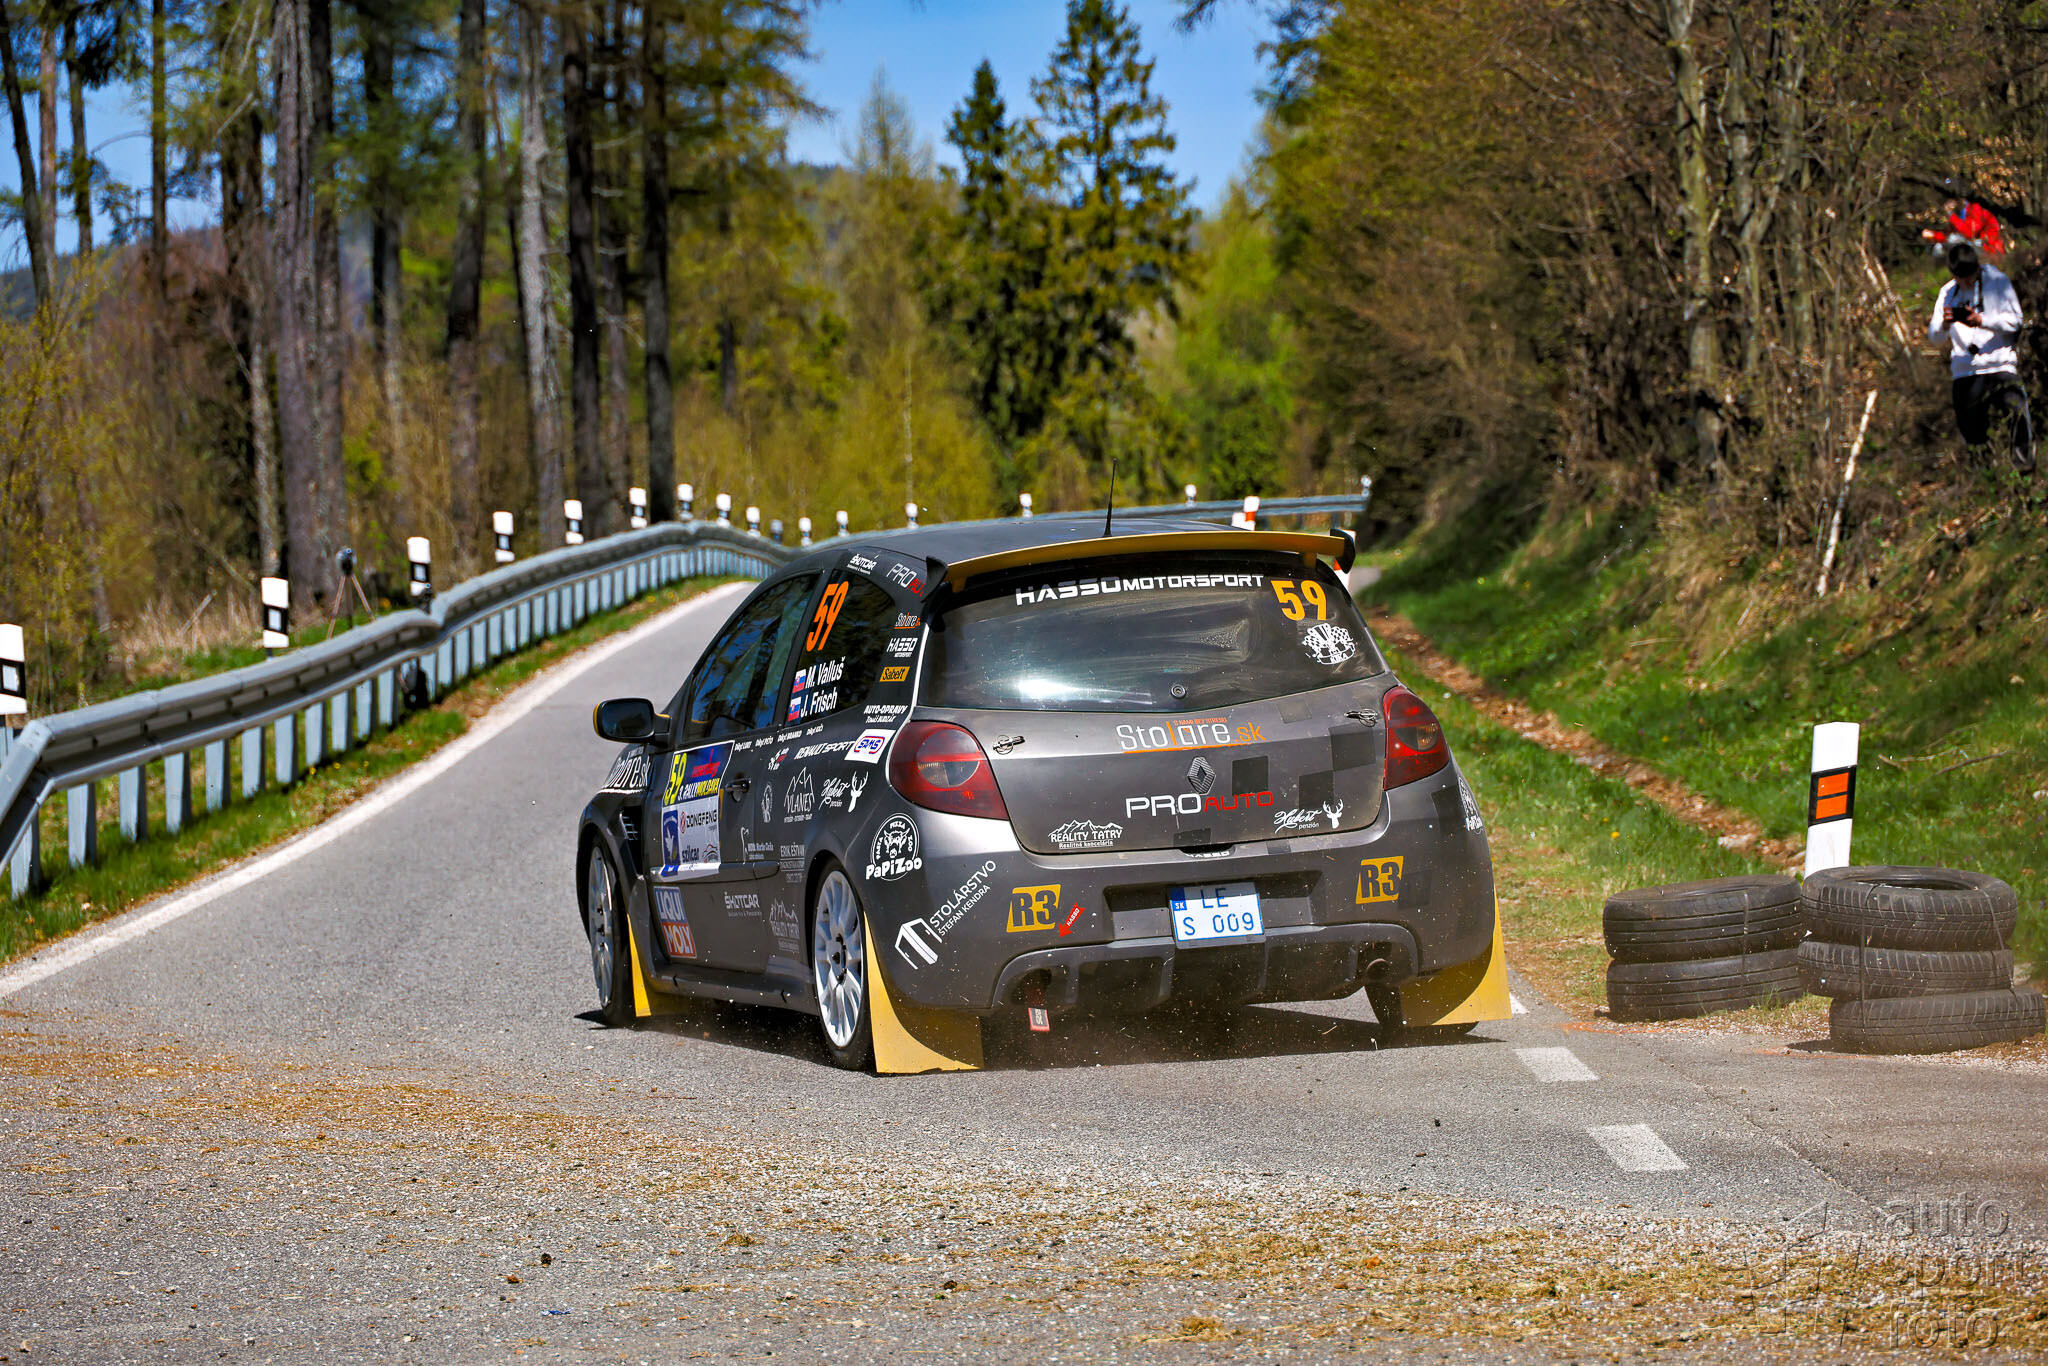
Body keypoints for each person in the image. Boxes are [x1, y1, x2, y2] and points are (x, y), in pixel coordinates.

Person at [1929, 241, 2034, 475]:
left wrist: (1982, 321)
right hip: (1966, 370)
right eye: (1962, 278)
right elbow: (1934, 338)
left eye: (1971, 277)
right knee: (1972, 432)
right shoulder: (1947, 293)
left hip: (2000, 364)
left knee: (2016, 414)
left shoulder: (1997, 281)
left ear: (1977, 267)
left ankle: (2025, 470)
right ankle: (1984, 476)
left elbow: (2016, 321)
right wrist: (1945, 324)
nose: (1967, 282)